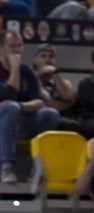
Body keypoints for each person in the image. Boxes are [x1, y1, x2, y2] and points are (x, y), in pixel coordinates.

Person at [0, 30, 60, 184]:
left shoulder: (26, 71)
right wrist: (14, 68)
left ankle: (38, 168)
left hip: (24, 120)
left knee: (50, 114)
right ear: (1, 48)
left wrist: (20, 106)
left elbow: (39, 102)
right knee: (10, 109)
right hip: (3, 123)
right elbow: (9, 94)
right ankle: (6, 167)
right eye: (11, 46)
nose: (16, 50)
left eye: (19, 46)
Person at [32, 43, 81, 135]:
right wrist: (67, 104)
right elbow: (50, 104)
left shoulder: (63, 82)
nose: (48, 59)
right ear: (35, 60)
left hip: (70, 120)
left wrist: (55, 74)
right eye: (43, 56)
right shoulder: (32, 80)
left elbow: (70, 98)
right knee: (69, 125)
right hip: (48, 120)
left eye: (51, 57)